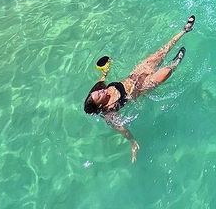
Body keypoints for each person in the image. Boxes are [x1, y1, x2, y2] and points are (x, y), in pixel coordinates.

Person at [83, 15, 196, 162]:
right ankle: (175, 63)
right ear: (99, 105)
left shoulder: (100, 87)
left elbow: (103, 76)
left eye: (97, 91)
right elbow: (122, 129)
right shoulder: (109, 113)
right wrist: (132, 142)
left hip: (137, 73)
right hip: (143, 87)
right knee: (167, 71)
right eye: (98, 95)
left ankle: (185, 30)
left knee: (162, 52)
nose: (100, 91)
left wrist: (105, 69)